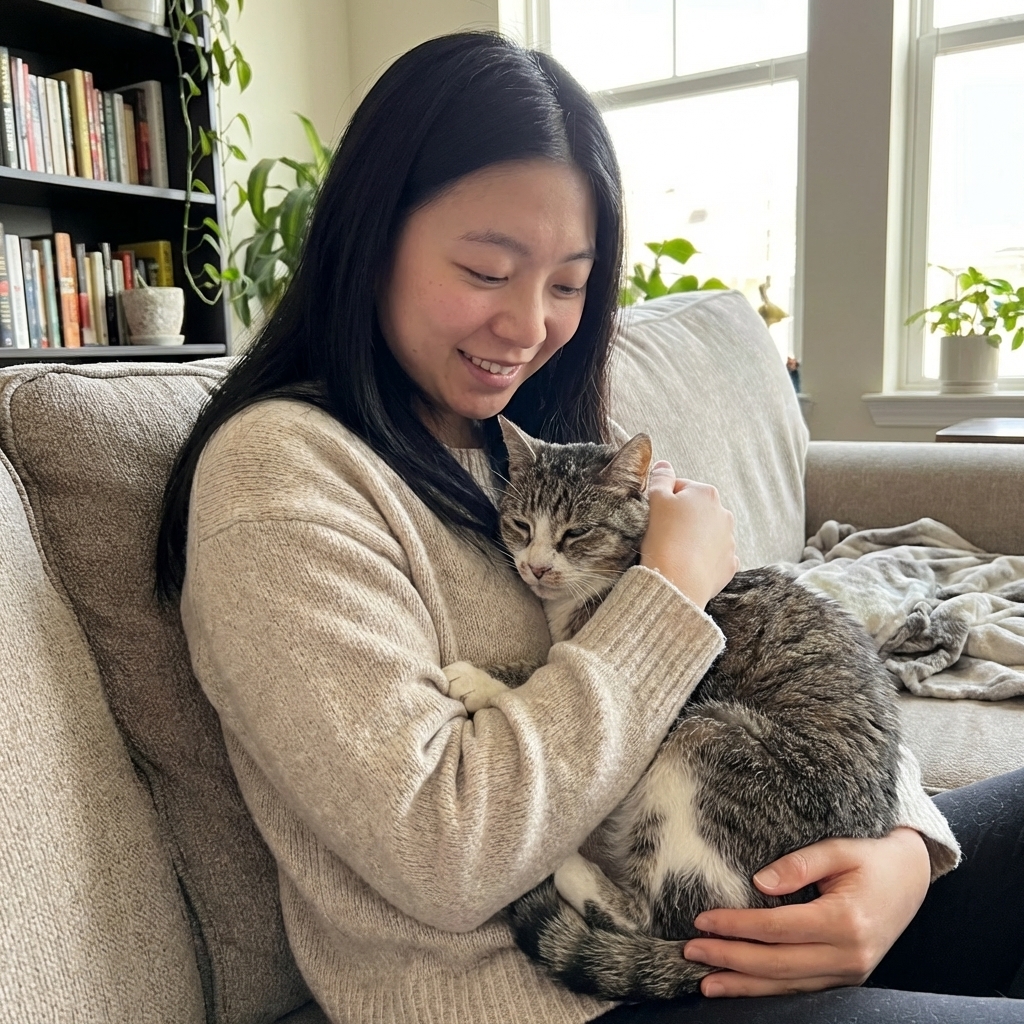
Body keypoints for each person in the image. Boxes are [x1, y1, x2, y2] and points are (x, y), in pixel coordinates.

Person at [157, 32, 1024, 1024]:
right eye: (487, 271)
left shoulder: (528, 444)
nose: (528, 327)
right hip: (552, 991)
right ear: (371, 235)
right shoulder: (279, 478)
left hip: (734, 896)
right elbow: (445, 853)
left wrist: (902, 855)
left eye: (567, 284)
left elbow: (808, 687)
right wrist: (667, 594)